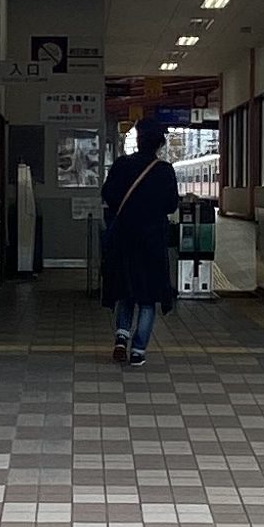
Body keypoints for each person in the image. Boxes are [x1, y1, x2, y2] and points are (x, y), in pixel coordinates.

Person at [101, 109, 180, 367]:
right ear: (160, 143)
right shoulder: (165, 171)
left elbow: (109, 195)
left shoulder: (122, 165)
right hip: (152, 241)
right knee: (148, 298)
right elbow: (171, 206)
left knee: (126, 290)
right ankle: (138, 351)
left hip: (125, 238)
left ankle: (121, 338)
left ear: (139, 140)